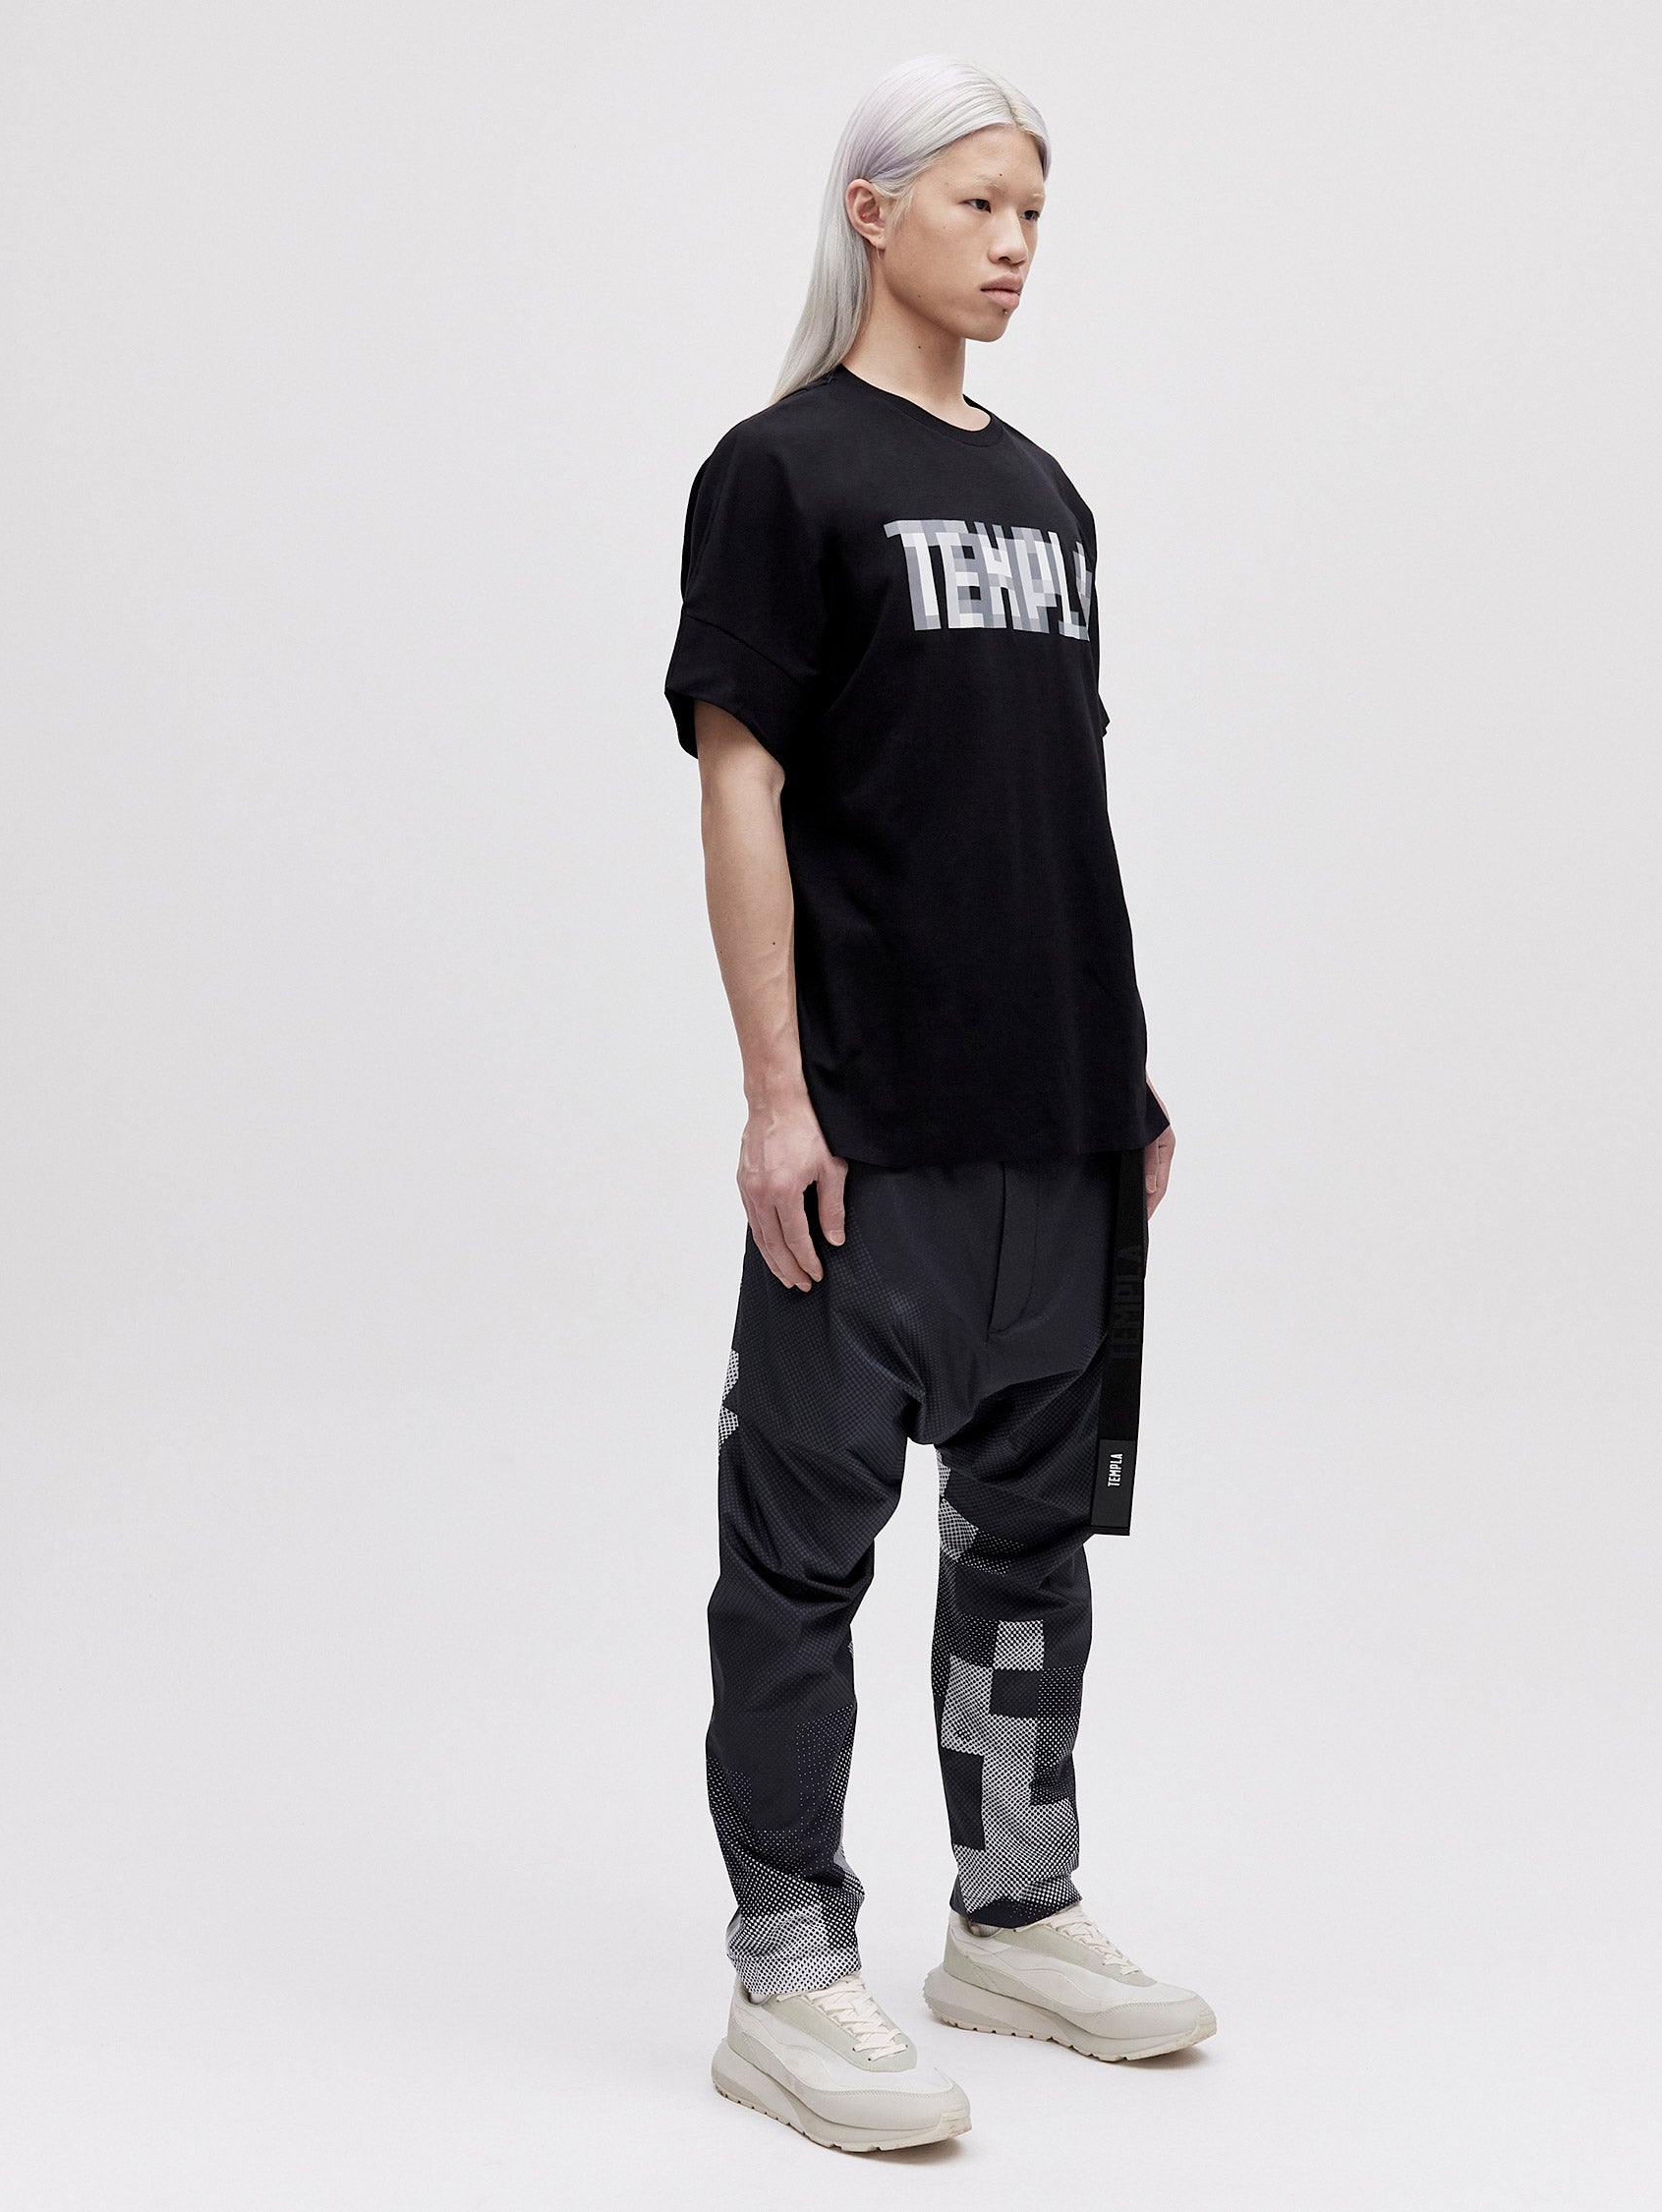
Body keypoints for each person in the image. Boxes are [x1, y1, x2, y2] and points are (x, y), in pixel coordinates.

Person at [662, 55, 1216, 2154]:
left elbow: (1050, 804)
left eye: (1036, 213)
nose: (1015, 244)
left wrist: (1120, 1071)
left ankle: (1015, 1908)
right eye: (980, 203)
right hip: (869, 1125)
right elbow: (743, 788)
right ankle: (789, 1964)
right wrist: (775, 1097)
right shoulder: (780, 472)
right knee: (799, 1558)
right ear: (872, 210)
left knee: (1028, 1542)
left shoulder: (1051, 498)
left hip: (1053, 1121)